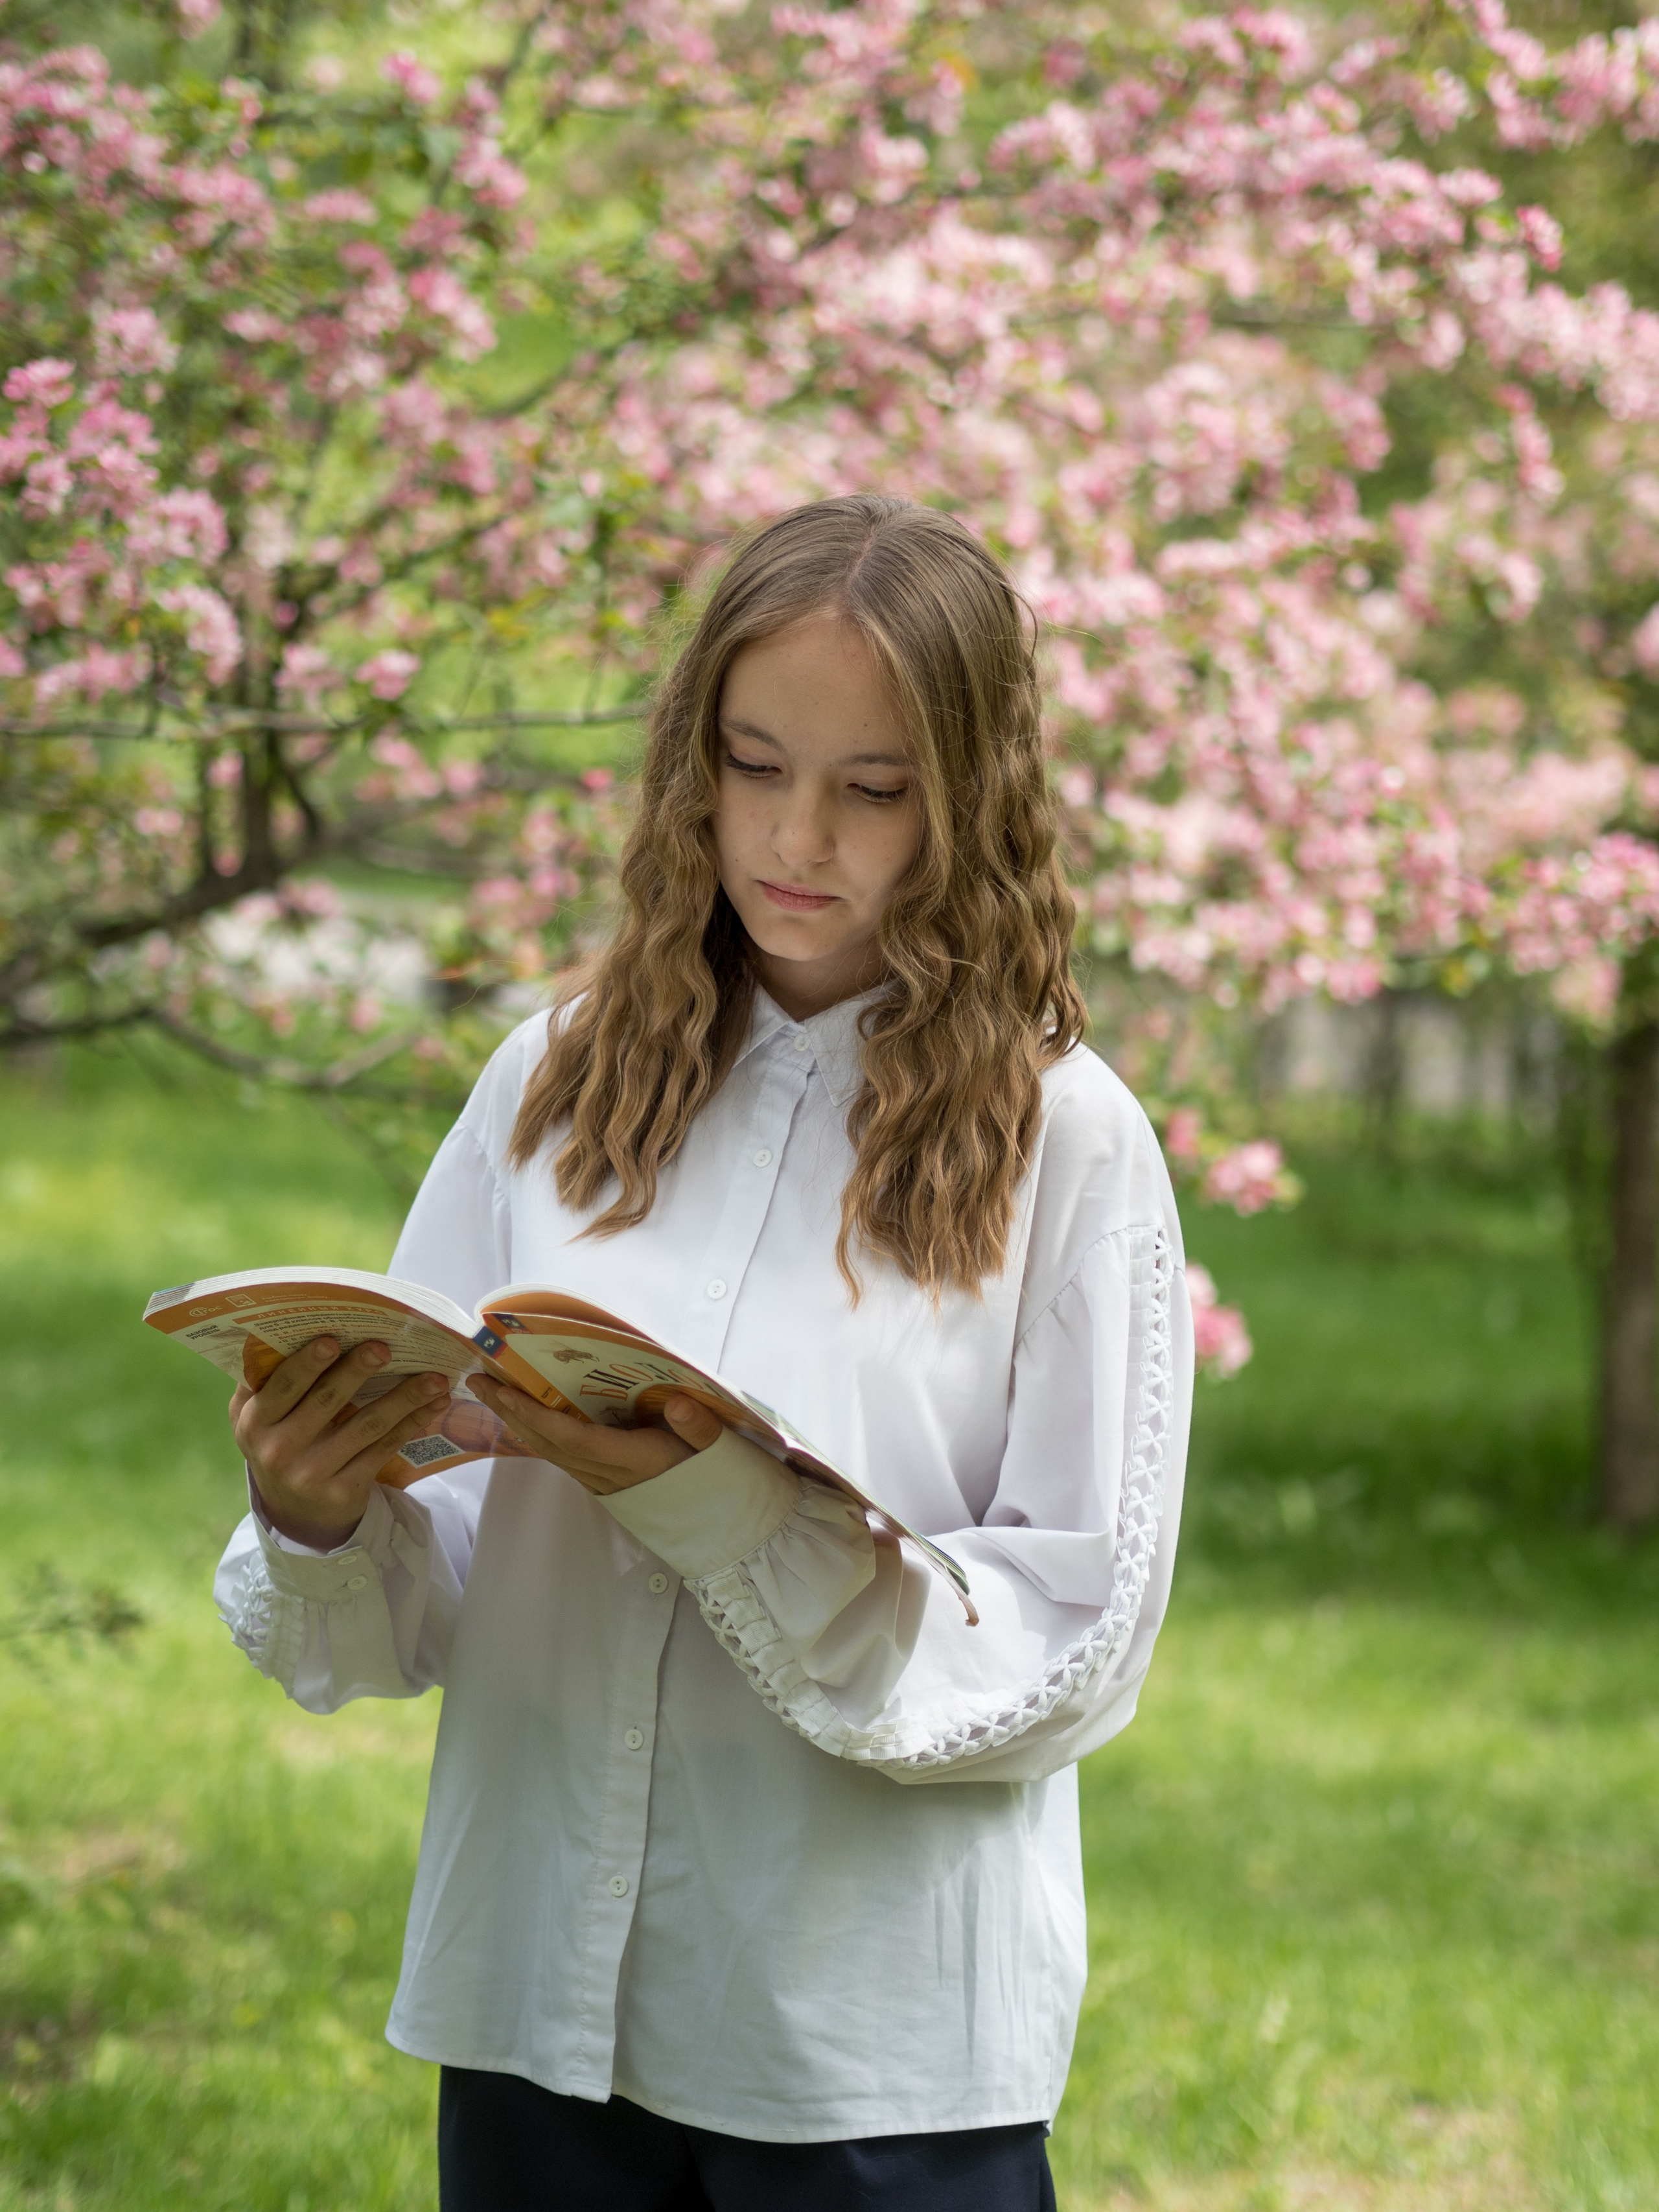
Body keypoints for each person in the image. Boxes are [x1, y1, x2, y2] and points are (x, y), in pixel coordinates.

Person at [214, 495, 1194, 2211]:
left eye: (874, 788)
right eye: (755, 766)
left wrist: (720, 1509)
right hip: (533, 2005)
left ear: (971, 800)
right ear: (694, 762)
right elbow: (431, 1585)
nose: (796, 836)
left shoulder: (1069, 1142)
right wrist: (321, 1512)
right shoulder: (553, 1079)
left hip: (861, 2047)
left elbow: (1070, 1647)